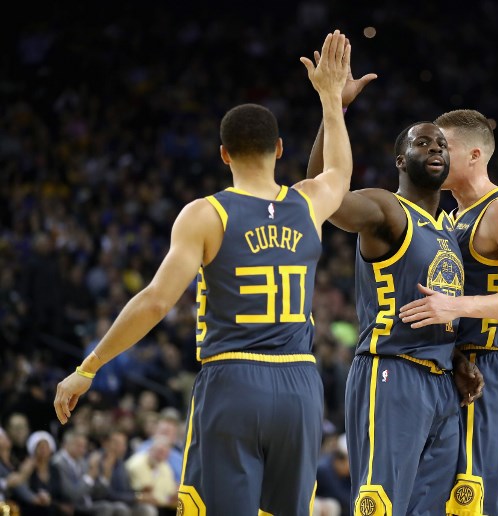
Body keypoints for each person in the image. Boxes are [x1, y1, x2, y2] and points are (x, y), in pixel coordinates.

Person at [54, 29, 354, 515]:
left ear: (223, 153)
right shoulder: (309, 203)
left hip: (232, 380)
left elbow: (154, 301)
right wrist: (331, 98)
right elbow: (339, 172)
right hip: (300, 385)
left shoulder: (205, 214)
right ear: (279, 149)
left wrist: (88, 367)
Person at [305, 68, 482, 513]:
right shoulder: (387, 208)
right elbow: (323, 195)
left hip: (441, 385)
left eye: (441, 143)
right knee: (381, 505)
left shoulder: (446, 232)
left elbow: (434, 308)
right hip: (392, 375)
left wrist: (457, 357)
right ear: (401, 160)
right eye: (422, 142)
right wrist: (335, 107)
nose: (435, 147)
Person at [397, 108, 498, 515]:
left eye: (446, 147)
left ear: (475, 155)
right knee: (429, 495)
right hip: (451, 363)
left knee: (470, 498)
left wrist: (456, 305)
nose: (437, 156)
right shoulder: (448, 217)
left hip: (490, 366)